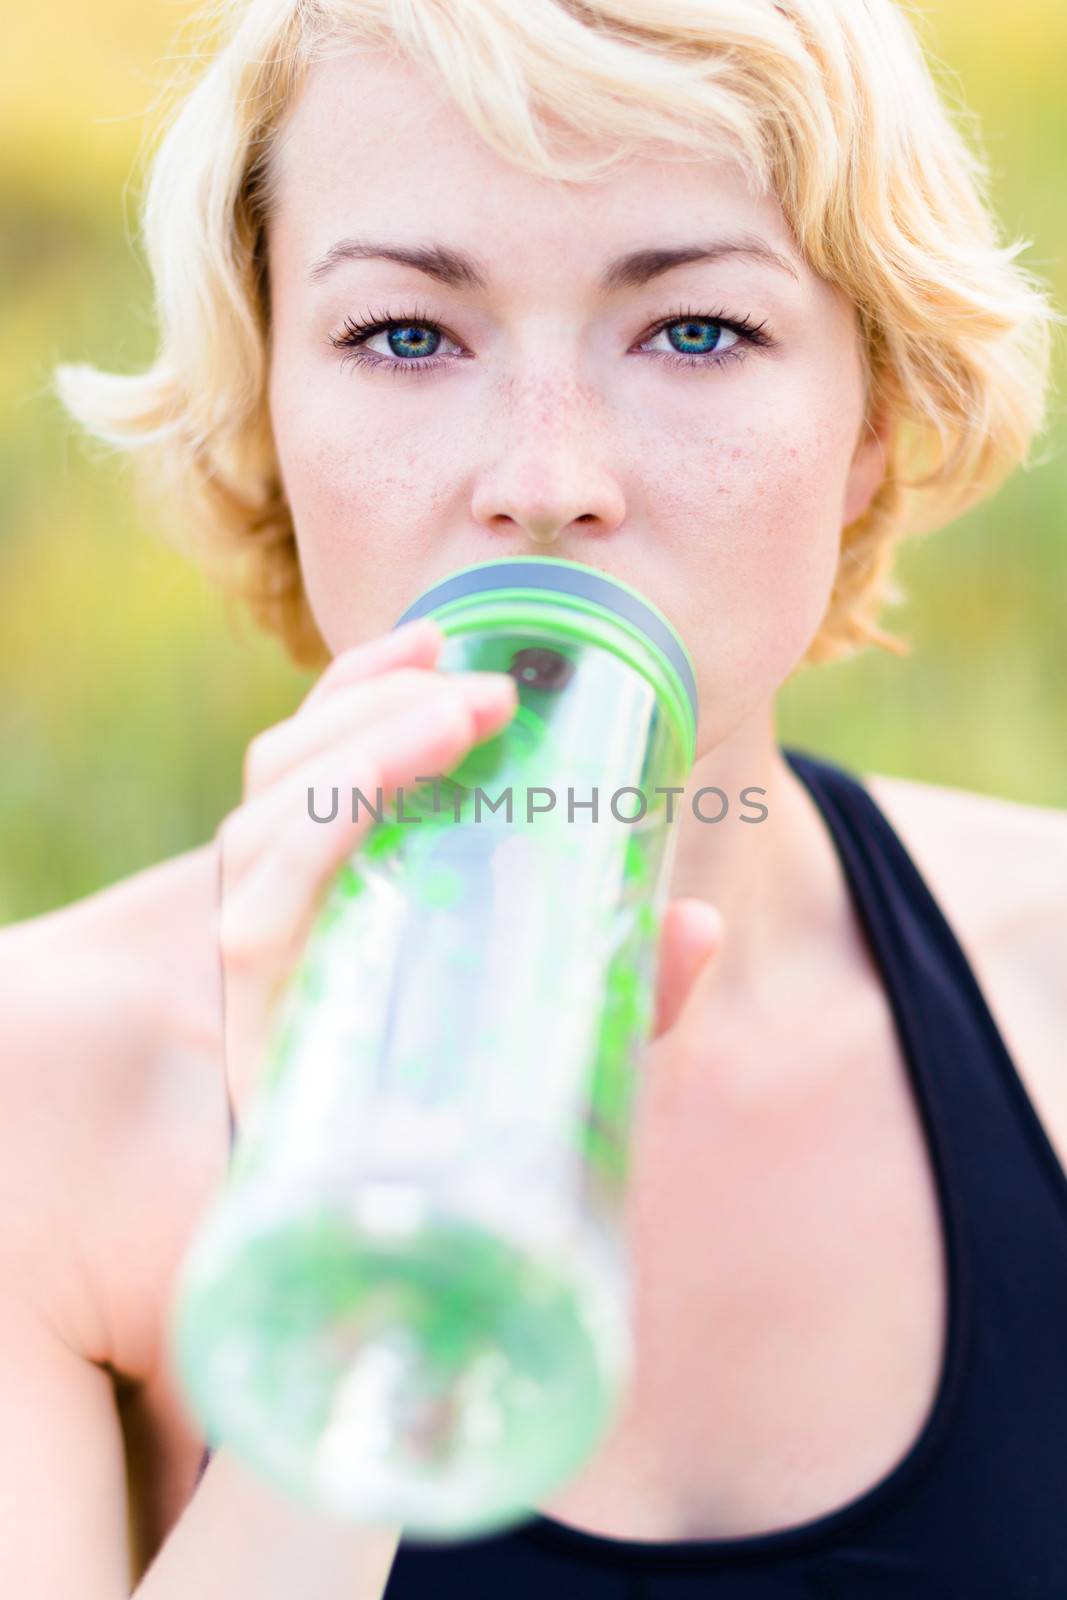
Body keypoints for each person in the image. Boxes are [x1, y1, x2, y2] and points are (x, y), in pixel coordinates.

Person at [4, 0, 1065, 1593]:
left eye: (697, 329)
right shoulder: (40, 1105)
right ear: (270, 403)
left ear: (875, 421)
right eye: (407, 335)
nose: (546, 473)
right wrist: (344, 1234)